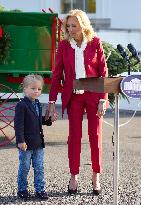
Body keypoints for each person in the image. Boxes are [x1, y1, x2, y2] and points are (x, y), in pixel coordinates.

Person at [46, 9, 108, 195]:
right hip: (73, 97)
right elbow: (57, 75)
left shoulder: (95, 42)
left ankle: (96, 175)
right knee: (74, 138)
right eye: (68, 26)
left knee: (95, 137)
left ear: (83, 25)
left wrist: (103, 99)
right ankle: (73, 176)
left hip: (93, 95)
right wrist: (51, 102)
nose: (71, 29)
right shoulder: (64, 45)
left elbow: (103, 72)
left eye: (75, 25)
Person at [14, 74, 56, 200]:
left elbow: (38, 120)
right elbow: (18, 125)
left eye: (39, 89)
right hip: (26, 144)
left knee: (39, 167)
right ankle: (22, 189)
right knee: (24, 167)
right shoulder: (21, 105)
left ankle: (40, 189)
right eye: (33, 88)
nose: (36, 91)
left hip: (38, 143)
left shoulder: (37, 103)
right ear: (25, 89)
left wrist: (49, 120)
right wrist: (20, 141)